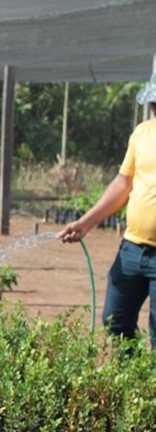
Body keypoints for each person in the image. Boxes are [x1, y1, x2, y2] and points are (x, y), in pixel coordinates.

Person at [60, 73, 156, 346]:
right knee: (115, 319)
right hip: (132, 249)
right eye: (153, 101)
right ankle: (134, 380)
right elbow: (123, 183)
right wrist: (85, 222)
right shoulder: (142, 133)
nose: (155, 108)